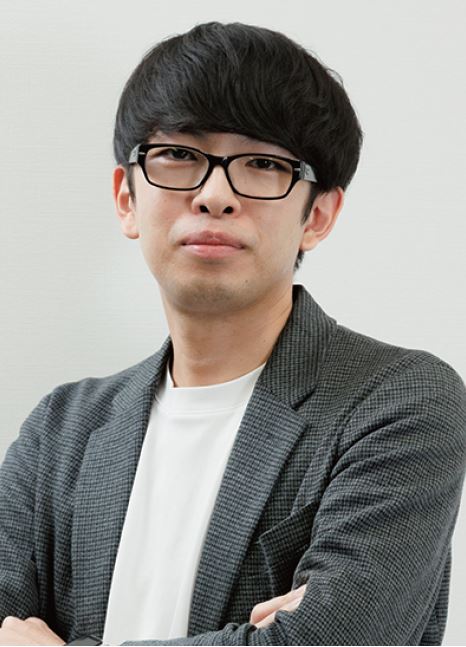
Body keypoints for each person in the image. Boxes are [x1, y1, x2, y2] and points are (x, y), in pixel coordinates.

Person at [0, 20, 465, 647]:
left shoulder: (399, 401)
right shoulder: (62, 429)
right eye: (179, 156)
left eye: (262, 164)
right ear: (126, 199)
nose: (214, 195)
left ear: (318, 214)